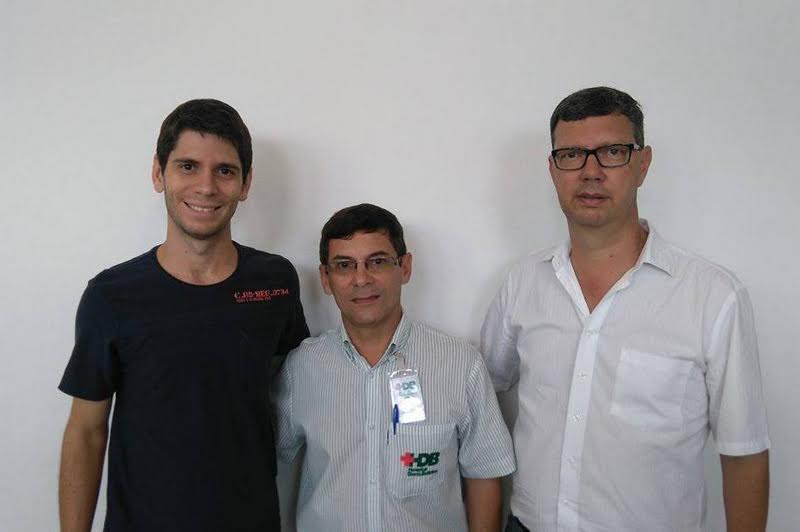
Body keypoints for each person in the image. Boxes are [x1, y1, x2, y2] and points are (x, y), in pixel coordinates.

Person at [481, 87, 770, 532]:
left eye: (612, 152)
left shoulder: (713, 296)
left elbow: (744, 453)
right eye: (571, 155)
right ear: (553, 170)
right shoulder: (522, 284)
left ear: (643, 163)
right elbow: (482, 396)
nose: (590, 172)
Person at [58, 99, 309, 532]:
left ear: (246, 183)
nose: (206, 187)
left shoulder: (276, 282)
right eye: (188, 166)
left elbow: (291, 387)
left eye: (224, 170)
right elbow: (86, 431)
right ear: (159, 173)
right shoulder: (112, 295)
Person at [274, 203, 515, 532]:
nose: (361, 279)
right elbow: (268, 462)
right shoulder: (301, 369)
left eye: (377, 262)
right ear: (326, 279)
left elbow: (484, 473)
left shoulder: (460, 364)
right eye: (344, 265)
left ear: (405, 267)